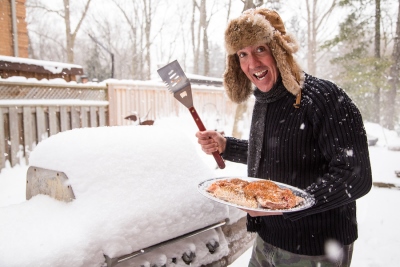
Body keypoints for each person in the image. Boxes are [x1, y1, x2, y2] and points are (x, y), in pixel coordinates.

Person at [196, 7, 372, 267]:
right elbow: (279, 152)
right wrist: (226, 146)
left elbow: (354, 176)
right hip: (267, 240)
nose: (251, 63)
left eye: (260, 49)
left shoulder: (325, 98)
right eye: (242, 54)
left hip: (316, 247)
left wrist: (285, 206)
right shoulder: (265, 101)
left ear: (279, 49)